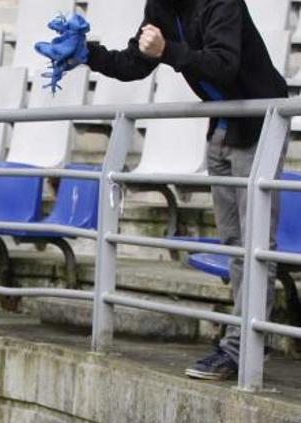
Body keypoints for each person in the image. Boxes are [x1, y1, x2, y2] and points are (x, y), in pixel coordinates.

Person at [83, 0, 288, 380]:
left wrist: (168, 51)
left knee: (254, 245)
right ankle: (241, 340)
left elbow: (223, 65)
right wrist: (87, 54)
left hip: (259, 124)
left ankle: (244, 346)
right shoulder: (160, 5)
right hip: (224, 127)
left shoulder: (221, 2)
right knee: (233, 243)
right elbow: (135, 61)